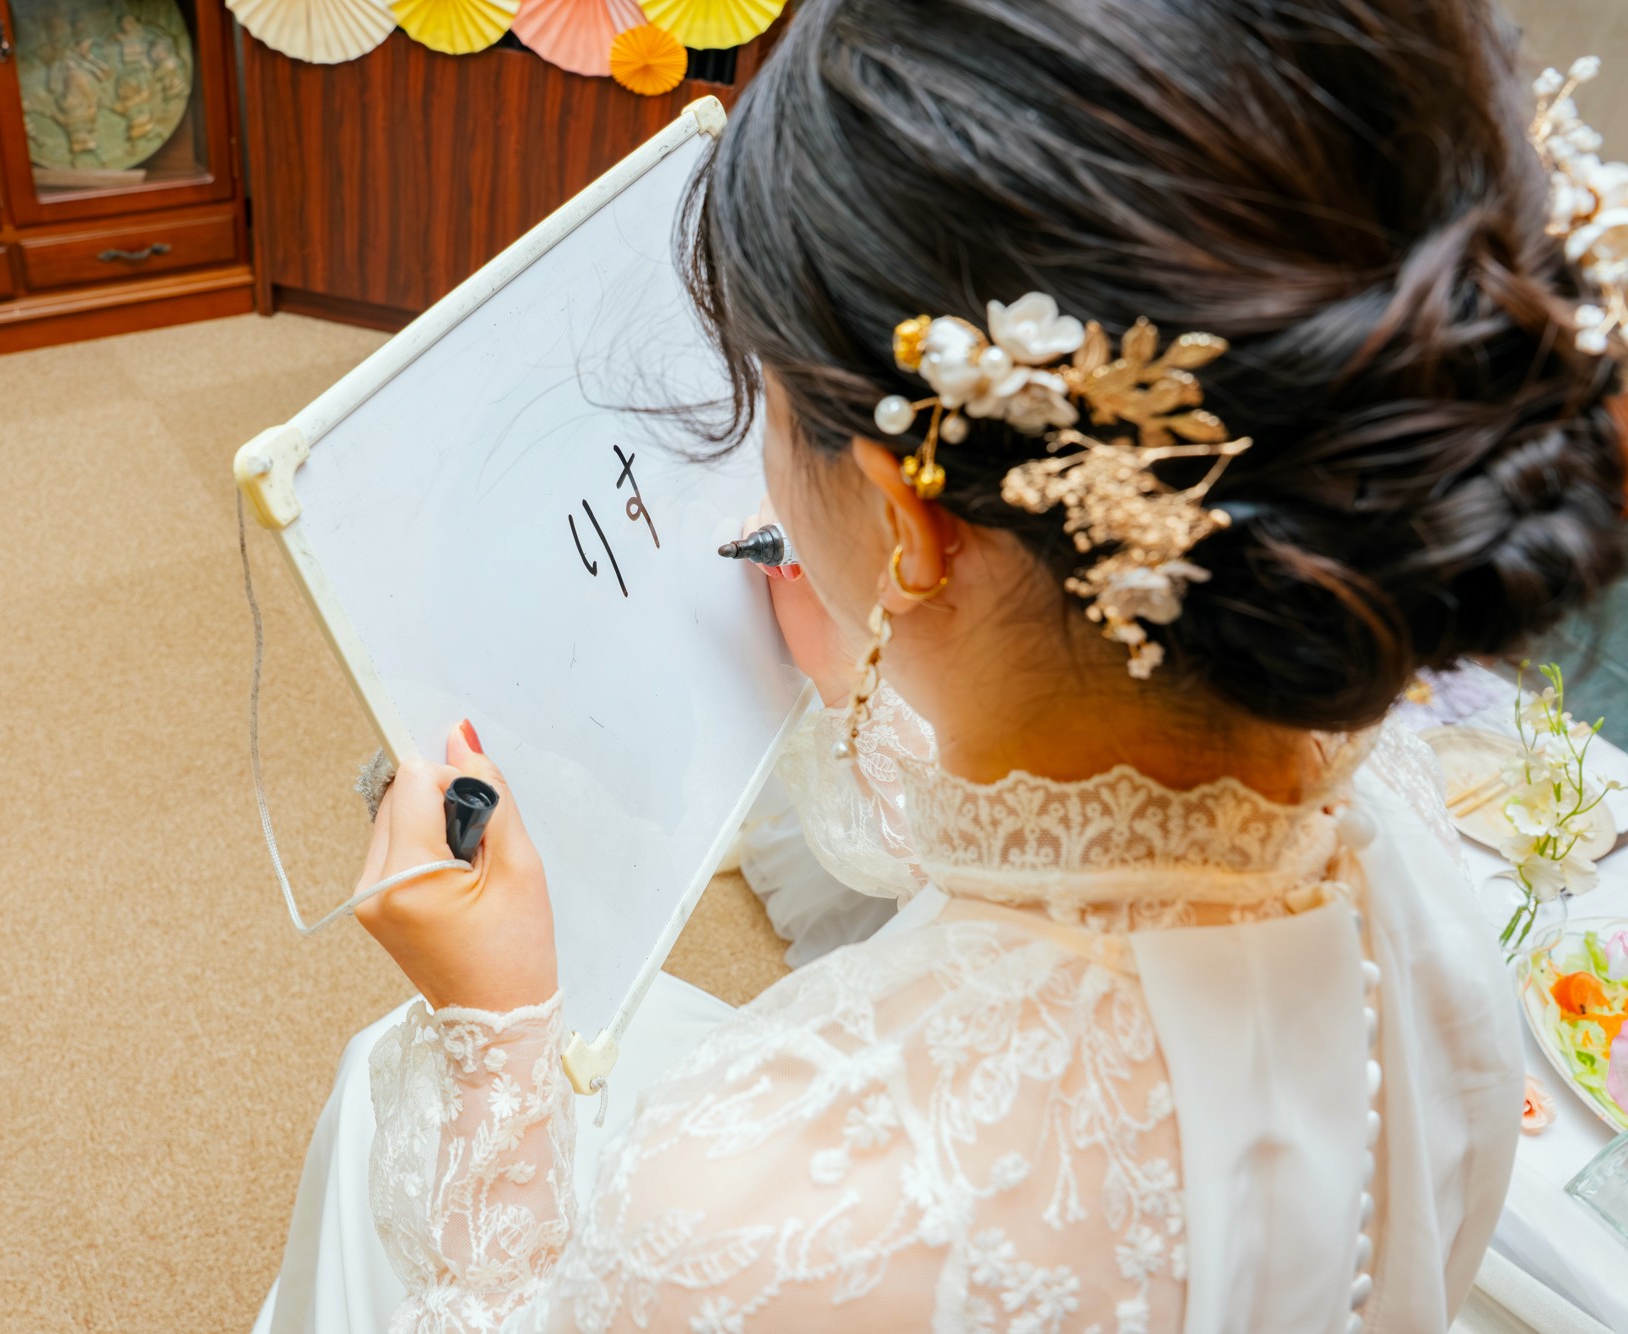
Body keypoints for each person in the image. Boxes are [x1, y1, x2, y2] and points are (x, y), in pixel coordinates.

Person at [263, 0, 1628, 1328]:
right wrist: (869, 680)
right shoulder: (1405, 841)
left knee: (393, 1087)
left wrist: (497, 1035)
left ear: (911, 523)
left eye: (759, 395)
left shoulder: (746, 1208)